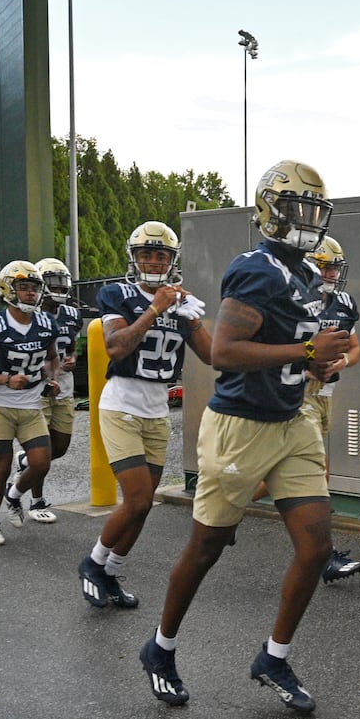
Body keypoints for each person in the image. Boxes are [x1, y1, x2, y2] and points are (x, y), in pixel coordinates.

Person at [140, 159, 351, 714]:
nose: (307, 220)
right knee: (207, 545)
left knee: (316, 544)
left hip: (292, 420)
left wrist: (316, 367)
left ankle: (273, 658)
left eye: (313, 210)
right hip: (240, 427)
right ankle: (160, 648)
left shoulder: (305, 273)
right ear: (268, 211)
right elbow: (226, 354)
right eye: (297, 209)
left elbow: (290, 350)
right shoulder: (256, 268)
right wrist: (307, 353)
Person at [80, 224, 212, 610]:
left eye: (161, 256)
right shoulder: (117, 293)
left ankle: (110, 572)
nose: (153, 262)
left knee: (143, 504)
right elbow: (117, 347)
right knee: (136, 501)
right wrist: (156, 308)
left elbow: (210, 355)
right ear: (133, 257)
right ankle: (92, 563)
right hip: (122, 405)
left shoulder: (180, 301)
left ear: (173, 261)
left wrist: (191, 319)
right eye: (147, 254)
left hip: (157, 410)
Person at [0, 260, 62, 546]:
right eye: (23, 287)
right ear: (8, 289)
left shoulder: (47, 324)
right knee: (2, 466)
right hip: (0, 404)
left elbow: (52, 358)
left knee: (41, 463)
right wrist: (5, 379)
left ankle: (14, 495)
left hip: (32, 404)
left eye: (34, 288)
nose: (31, 294)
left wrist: (51, 379)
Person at [302, 235, 360, 583]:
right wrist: (307, 362)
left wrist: (340, 360)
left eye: (334, 266)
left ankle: (224, 510)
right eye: (326, 265)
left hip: (326, 394)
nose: (331, 272)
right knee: (317, 475)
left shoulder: (343, 302)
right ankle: (324, 555)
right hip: (301, 394)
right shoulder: (297, 299)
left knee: (297, 477)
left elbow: (355, 348)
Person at [16, 257, 85, 522]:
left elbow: (72, 345)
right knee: (41, 452)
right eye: (52, 283)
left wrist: (73, 358)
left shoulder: (72, 313)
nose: (58, 288)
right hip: (39, 388)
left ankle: (23, 462)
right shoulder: (30, 313)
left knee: (60, 447)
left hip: (64, 388)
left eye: (61, 282)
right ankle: (36, 501)